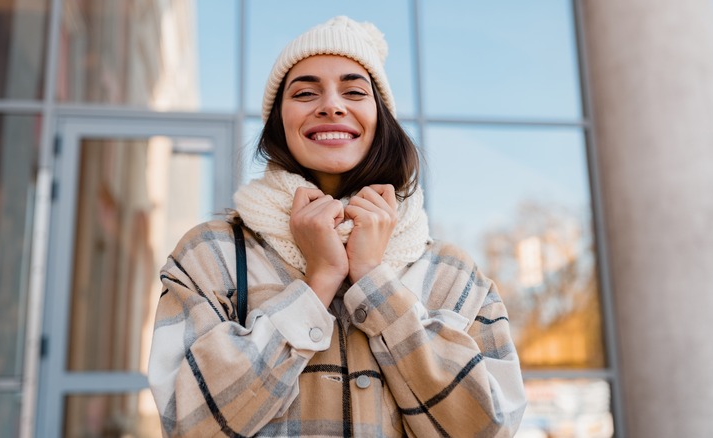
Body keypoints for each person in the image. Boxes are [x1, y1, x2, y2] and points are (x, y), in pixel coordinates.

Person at [148, 16, 526, 437]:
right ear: (279, 122)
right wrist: (319, 281)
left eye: (354, 91)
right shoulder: (209, 254)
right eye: (306, 92)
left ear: (380, 118)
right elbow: (188, 423)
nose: (331, 105)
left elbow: (487, 427)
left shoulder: (454, 274)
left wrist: (373, 280)